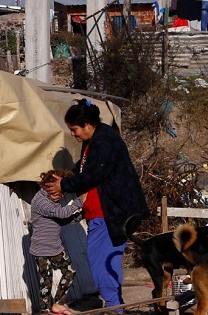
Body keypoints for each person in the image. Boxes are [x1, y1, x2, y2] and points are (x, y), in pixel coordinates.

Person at [45, 99, 149, 310]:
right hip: (102, 214)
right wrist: (65, 177)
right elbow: (85, 168)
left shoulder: (105, 141)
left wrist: (64, 184)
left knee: (102, 265)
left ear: (87, 124)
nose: (72, 134)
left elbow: (93, 174)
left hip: (111, 214)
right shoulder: (94, 141)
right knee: (103, 263)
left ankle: (113, 307)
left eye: (74, 129)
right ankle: (115, 306)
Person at [30, 169, 85, 315]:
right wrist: (80, 201)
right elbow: (61, 213)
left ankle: (59, 303)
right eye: (55, 193)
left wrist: (77, 216)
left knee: (70, 271)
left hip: (55, 247)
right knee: (45, 281)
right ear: (46, 186)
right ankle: (45, 310)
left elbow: (61, 219)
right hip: (41, 249)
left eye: (61, 193)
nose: (59, 196)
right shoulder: (40, 201)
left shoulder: (51, 201)